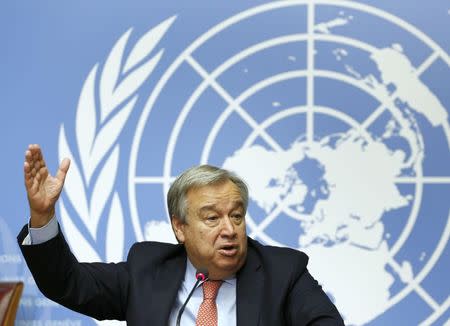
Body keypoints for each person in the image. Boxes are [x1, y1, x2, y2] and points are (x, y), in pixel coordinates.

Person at [18, 144, 344, 326]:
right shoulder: (146, 268)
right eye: (212, 218)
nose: (229, 230)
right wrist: (43, 216)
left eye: (236, 216)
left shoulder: (283, 272)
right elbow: (67, 284)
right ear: (180, 228)